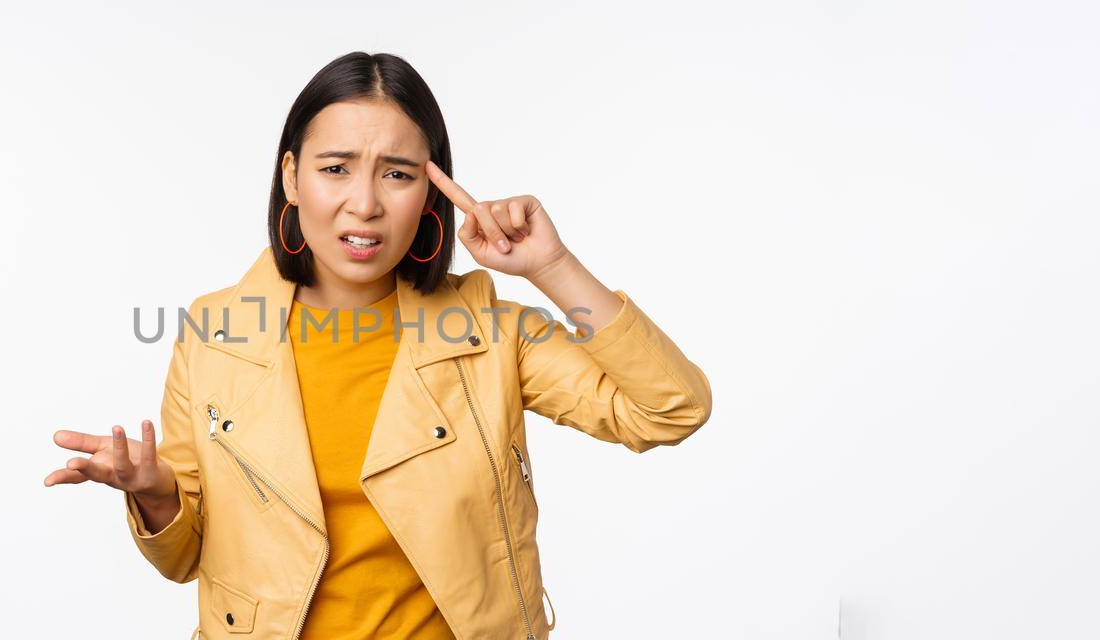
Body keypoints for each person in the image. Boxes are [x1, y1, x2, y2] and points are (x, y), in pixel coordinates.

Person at [43, 51, 713, 639]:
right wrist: (156, 492)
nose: (364, 203)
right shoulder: (214, 334)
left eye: (396, 173)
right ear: (291, 176)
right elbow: (184, 558)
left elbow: (670, 408)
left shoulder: (489, 332)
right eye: (335, 168)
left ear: (431, 191)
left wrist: (550, 264)